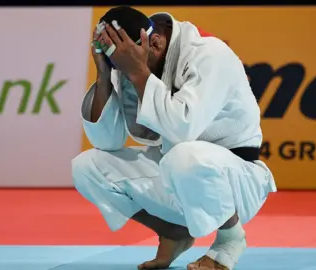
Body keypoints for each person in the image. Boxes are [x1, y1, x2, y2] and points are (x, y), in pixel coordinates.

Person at [72, 6, 276, 270]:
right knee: (87, 167)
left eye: (124, 66)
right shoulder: (129, 59)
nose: (123, 73)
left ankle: (229, 240)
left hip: (233, 182)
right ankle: (174, 233)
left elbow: (183, 129)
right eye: (118, 66)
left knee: (183, 156)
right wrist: (104, 75)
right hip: (177, 176)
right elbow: (106, 141)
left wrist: (137, 72)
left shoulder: (208, 54)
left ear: (154, 43)